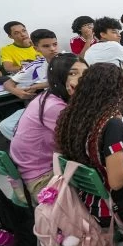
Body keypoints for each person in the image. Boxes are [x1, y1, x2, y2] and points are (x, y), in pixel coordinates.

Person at [55, 63, 123, 225]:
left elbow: (94, 142)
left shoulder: (72, 116)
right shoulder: (112, 125)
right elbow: (117, 181)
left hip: (87, 200)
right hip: (115, 207)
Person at [9, 54, 87, 204]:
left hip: (31, 169)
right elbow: (84, 141)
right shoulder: (55, 106)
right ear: (58, 77)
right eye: (73, 73)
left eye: (86, 73)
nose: (82, 78)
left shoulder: (50, 96)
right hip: (40, 179)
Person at [1, 29, 60, 140]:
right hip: (46, 104)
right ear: (36, 48)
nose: (52, 49)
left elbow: (67, 81)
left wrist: (37, 86)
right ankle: (32, 151)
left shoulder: (70, 59)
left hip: (65, 103)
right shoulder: (37, 64)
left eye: (55, 44)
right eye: (46, 46)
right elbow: (7, 83)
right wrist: (17, 92)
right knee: (6, 126)